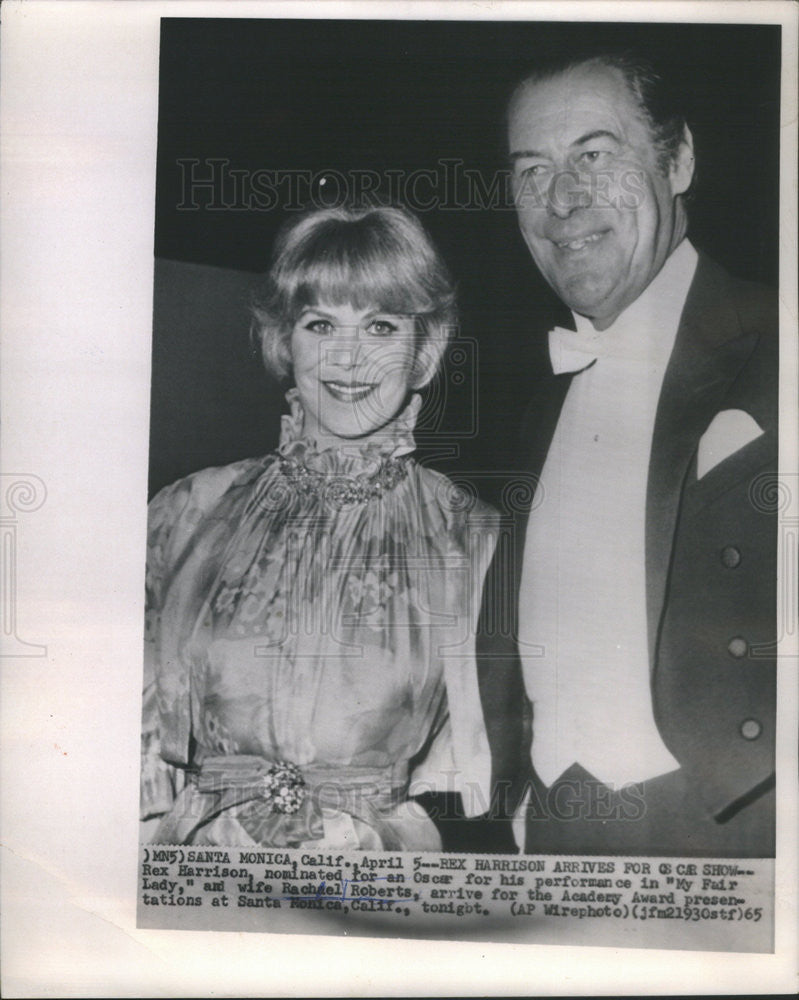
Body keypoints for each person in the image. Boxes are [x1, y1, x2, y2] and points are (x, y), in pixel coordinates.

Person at [477, 51, 777, 856]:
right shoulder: (543, 401)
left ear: (676, 161)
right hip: (548, 832)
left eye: (593, 157)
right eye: (531, 171)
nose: (561, 200)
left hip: (736, 832)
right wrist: (515, 799)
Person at [140, 205, 497, 850]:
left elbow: (496, 768)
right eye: (321, 323)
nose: (347, 357)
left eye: (381, 325)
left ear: (424, 351)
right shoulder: (185, 512)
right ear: (286, 340)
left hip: (378, 886)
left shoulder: (471, 538)